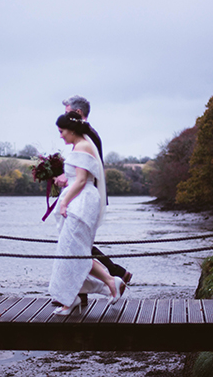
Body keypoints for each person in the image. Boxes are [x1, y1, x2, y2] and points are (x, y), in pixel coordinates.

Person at [49, 111, 126, 315]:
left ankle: (106, 284)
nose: (60, 135)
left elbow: (82, 181)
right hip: (80, 199)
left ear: (72, 130)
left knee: (75, 251)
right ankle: (80, 294)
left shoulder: (83, 145)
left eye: (62, 131)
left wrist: (64, 202)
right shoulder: (81, 144)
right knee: (72, 251)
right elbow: (77, 177)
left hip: (81, 203)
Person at [57, 96, 132, 289]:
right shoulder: (87, 135)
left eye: (67, 114)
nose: (64, 119)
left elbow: (88, 170)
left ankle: (113, 276)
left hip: (86, 196)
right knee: (78, 244)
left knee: (78, 245)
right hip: (83, 193)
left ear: (78, 113)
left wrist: (69, 184)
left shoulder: (86, 136)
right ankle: (84, 289)